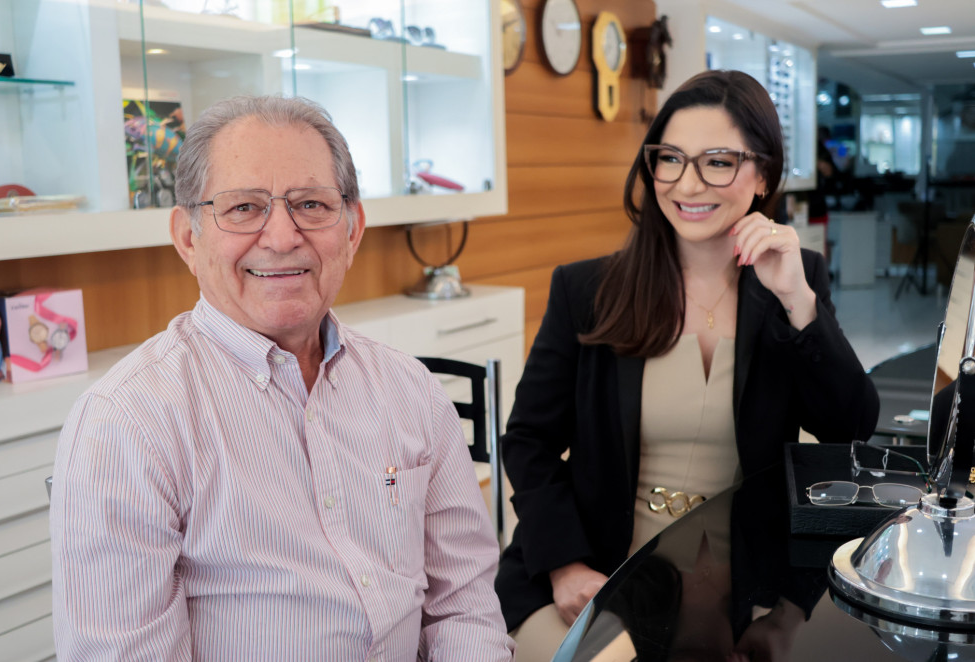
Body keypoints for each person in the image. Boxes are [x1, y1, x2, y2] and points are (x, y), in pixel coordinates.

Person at [50, 95, 514, 661]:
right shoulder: (126, 424)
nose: (281, 236)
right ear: (188, 238)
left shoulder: (410, 388)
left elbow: (463, 602)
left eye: (311, 204)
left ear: (352, 229)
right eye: (243, 208)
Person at [494, 70, 879, 661]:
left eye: (717, 161)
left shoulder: (793, 281)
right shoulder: (588, 289)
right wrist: (564, 565)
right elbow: (528, 441)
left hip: (735, 584)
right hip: (592, 574)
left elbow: (847, 428)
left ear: (763, 175)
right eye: (669, 158)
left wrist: (798, 302)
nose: (687, 183)